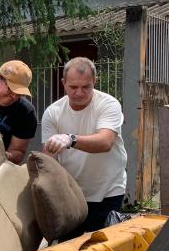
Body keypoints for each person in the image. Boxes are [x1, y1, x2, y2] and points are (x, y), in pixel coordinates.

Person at [41, 57, 127, 236]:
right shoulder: (53, 112)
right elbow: (49, 158)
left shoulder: (108, 105)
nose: (79, 92)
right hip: (72, 193)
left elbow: (105, 142)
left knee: (105, 249)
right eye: (73, 87)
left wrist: (70, 139)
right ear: (63, 83)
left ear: (94, 82)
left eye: (86, 87)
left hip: (108, 190)